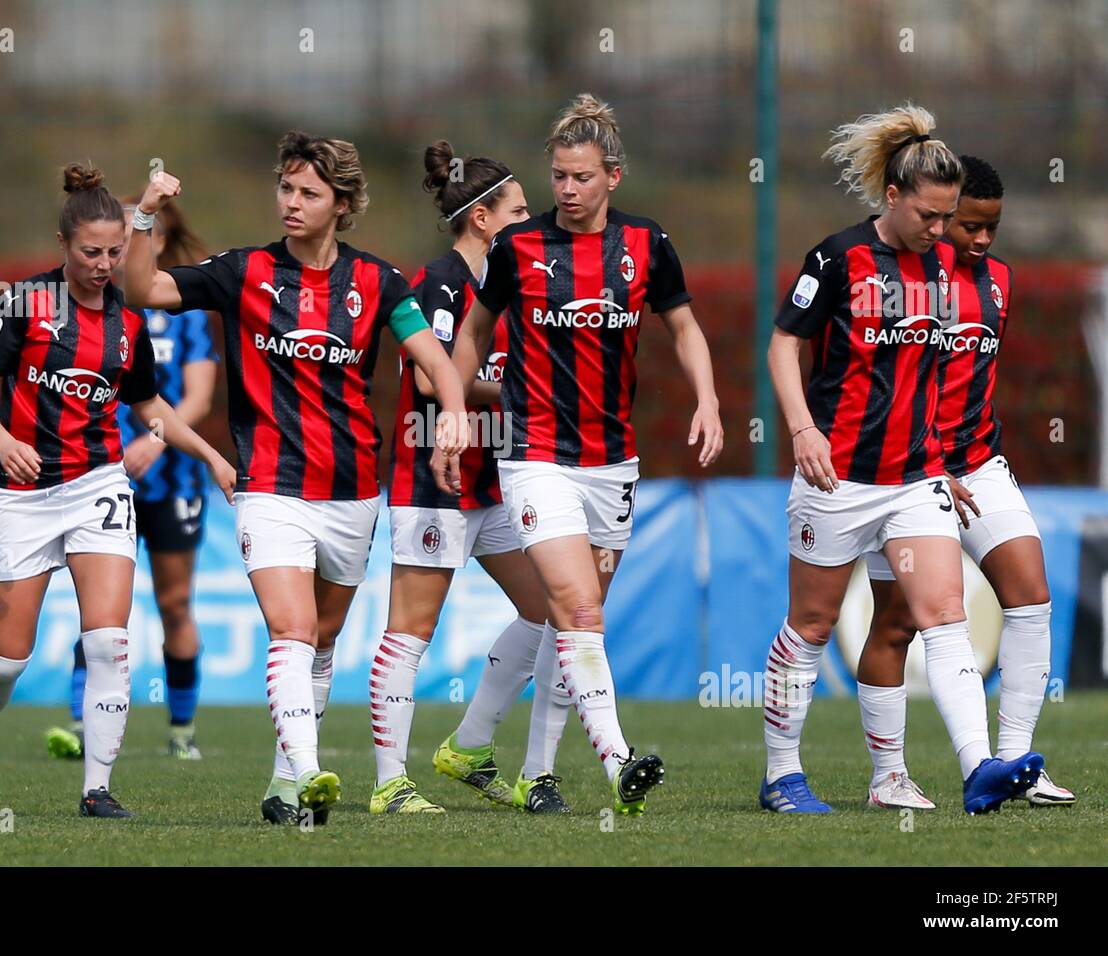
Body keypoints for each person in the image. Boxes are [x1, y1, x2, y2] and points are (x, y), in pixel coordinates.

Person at [123, 132, 469, 825]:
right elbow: (145, 287)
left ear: (342, 204)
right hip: (269, 486)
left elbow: (433, 358)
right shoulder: (242, 271)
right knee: (292, 629)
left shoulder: (378, 282)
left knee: (324, 641)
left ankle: (285, 786)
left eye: (308, 192)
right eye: (286, 187)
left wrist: (456, 410)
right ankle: (312, 770)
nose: (291, 202)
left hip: (350, 490)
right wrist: (144, 217)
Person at [0, 163, 235, 818]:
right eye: (91, 252)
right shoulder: (24, 303)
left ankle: (96, 787)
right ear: (64, 244)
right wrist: (3, 441)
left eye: (114, 252)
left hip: (98, 485)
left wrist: (208, 454)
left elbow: (151, 405)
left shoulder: (130, 325)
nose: (103, 264)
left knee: (109, 640)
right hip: (20, 491)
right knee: (8, 659)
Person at [446, 93, 724, 816]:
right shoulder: (519, 249)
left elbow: (686, 329)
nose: (566, 190)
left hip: (613, 463)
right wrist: (456, 403)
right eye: (558, 177)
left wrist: (710, 399)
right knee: (575, 606)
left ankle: (538, 772)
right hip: (536, 456)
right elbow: (473, 333)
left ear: (614, 178)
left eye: (581, 177)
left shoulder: (647, 245)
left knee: (578, 619)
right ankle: (619, 760)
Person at [762, 105, 1042, 815]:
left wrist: (942, 453)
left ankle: (973, 767)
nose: (941, 231)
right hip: (838, 477)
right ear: (893, 196)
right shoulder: (838, 257)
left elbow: (948, 371)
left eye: (950, 217)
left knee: (942, 614)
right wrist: (801, 429)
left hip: (917, 479)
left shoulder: (951, 265)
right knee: (812, 624)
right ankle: (782, 774)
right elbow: (783, 345)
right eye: (929, 214)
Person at [857, 155, 1074, 809]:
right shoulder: (899, 280)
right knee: (895, 626)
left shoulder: (1000, 282)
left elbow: (973, 382)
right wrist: (924, 462)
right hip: (901, 471)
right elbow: (875, 385)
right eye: (969, 228)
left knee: (1031, 597)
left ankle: (1014, 762)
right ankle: (887, 775)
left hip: (979, 465)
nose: (981, 241)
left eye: (992, 229)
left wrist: (967, 459)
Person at [369, 140, 558, 815]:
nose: (532, 221)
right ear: (482, 219)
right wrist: (517, 395)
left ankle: (470, 743)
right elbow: (428, 375)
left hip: (495, 479)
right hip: (435, 480)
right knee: (410, 632)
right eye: (520, 210)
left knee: (553, 612)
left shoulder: (509, 282)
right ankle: (389, 782)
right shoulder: (443, 281)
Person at [47, 197, 220, 762]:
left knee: (173, 602)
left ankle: (181, 730)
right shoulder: (90, 305)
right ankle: (79, 723)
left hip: (171, 480)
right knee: (99, 606)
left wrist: (153, 439)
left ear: (159, 242)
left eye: (137, 235)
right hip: (97, 476)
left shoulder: (185, 311)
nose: (116, 253)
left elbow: (196, 398)